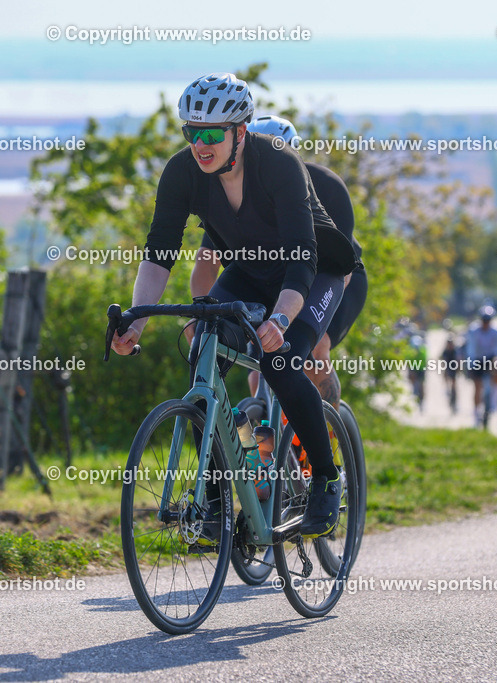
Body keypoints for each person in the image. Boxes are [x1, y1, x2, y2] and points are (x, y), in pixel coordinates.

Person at [112, 74, 361, 539]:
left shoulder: (279, 164)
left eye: (211, 133)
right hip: (249, 274)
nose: (199, 144)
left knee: (282, 361)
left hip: (314, 273)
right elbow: (159, 253)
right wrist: (137, 320)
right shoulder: (182, 172)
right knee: (202, 352)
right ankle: (213, 498)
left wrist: (282, 319)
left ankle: (326, 478)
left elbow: (302, 259)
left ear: (240, 132)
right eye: (191, 132)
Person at [188, 115, 367, 409]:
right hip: (272, 280)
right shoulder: (233, 194)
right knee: (257, 374)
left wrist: (293, 318)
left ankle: (330, 437)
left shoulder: (324, 187)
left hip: (337, 277)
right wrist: (202, 312)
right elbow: (206, 265)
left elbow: (340, 269)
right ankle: (266, 444)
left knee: (314, 350)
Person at [465, 305, 497, 427]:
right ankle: (476, 413)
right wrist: (471, 363)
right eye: (484, 320)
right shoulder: (474, 331)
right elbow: (471, 349)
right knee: (477, 386)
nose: (486, 323)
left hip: (491, 358)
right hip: (477, 359)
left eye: (488, 320)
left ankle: (494, 397)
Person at [441, 336, 460, 413]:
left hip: (454, 369)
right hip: (447, 368)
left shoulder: (455, 351)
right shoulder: (445, 352)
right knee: (448, 384)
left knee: (454, 385)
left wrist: (459, 369)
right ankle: (448, 393)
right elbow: (443, 362)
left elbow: (459, 360)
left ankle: (454, 398)